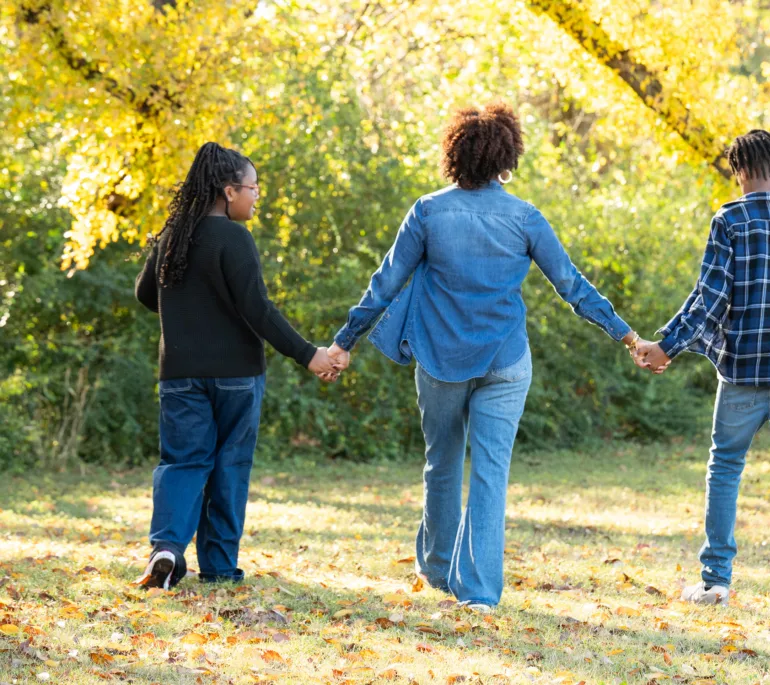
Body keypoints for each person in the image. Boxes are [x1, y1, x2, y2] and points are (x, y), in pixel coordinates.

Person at [325, 102, 648, 612]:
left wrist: (344, 342)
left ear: (454, 153)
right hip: (506, 361)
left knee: (443, 463)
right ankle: (477, 594)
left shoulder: (428, 211)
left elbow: (384, 284)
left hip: (439, 358)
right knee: (490, 472)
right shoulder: (524, 217)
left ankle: (435, 571)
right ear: (507, 155)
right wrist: (628, 337)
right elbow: (572, 286)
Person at [637, 129, 770, 622]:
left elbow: (709, 300)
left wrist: (665, 345)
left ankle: (715, 581)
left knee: (725, 468)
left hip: (741, 372)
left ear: (739, 171)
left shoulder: (731, 219)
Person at [134, 142, 341, 589]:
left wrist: (187, 303)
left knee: (183, 462)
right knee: (228, 468)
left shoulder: (172, 236)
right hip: (236, 378)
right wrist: (310, 355)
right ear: (229, 191)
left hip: (180, 375)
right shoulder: (234, 238)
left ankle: (167, 548)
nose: (257, 196)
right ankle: (220, 569)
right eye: (253, 188)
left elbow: (146, 296)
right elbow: (258, 310)